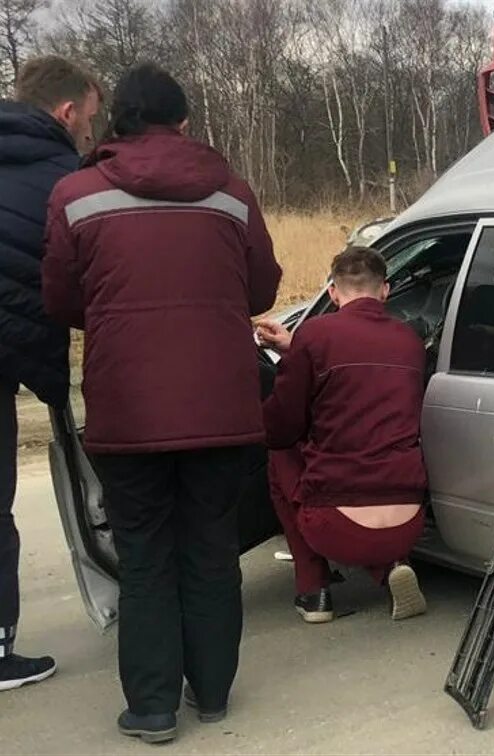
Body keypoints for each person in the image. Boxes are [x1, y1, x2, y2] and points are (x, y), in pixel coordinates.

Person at [42, 63, 281, 744]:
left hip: (128, 410)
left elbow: (61, 300)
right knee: (210, 547)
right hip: (222, 407)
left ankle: (150, 706)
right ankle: (212, 693)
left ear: (117, 119)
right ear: (182, 122)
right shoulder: (231, 195)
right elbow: (260, 289)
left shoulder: (75, 192)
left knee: (145, 555)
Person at [256, 246, 428, 626]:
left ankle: (313, 592)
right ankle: (389, 567)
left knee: (280, 455)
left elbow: (282, 426)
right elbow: (362, 380)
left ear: (332, 292)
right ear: (385, 290)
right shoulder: (411, 342)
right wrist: (294, 350)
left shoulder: (315, 334)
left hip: (338, 527)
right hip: (409, 523)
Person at [0, 56, 100, 693]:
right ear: (66, 113)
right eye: (90, 123)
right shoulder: (67, 179)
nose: (91, 135)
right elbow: (92, 282)